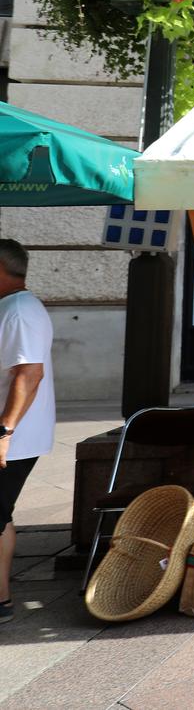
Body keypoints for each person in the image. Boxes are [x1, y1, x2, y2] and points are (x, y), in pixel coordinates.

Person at [0, 240, 54, 625]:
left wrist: (4, 430)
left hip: (11, 438)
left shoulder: (19, 310)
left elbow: (29, 374)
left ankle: (0, 599)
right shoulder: (14, 307)